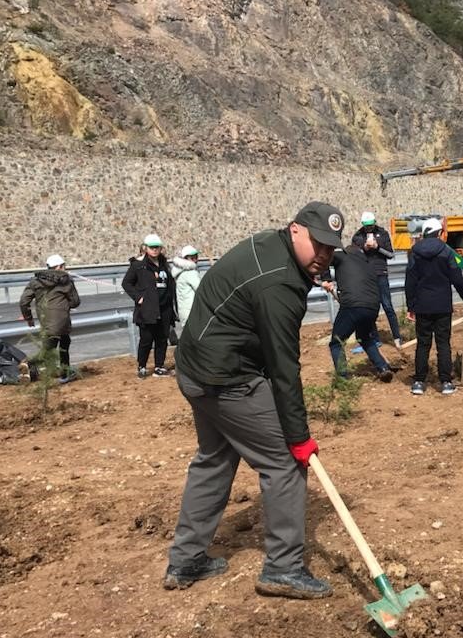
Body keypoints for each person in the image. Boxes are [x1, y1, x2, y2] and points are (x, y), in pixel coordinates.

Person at [163, 201, 345, 599]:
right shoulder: (279, 283)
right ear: (295, 230)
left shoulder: (271, 246)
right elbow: (284, 367)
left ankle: (186, 559)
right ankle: (283, 568)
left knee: (215, 458)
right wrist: (298, 437)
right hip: (224, 376)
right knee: (283, 463)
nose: (324, 255)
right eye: (318, 244)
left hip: (195, 367)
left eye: (331, 248)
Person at [404, 218, 463, 395]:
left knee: (423, 344)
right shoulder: (447, 252)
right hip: (442, 305)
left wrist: (411, 306)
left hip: (422, 305)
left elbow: (410, 281)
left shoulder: (414, 253)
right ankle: (446, 382)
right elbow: (457, 277)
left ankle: (419, 382)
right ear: (440, 233)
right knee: (443, 344)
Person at [320, 244, 394, 382]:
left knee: (337, 342)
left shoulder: (342, 256)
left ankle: (342, 377)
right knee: (365, 338)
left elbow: (324, 258)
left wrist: (326, 279)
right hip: (373, 306)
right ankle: (382, 367)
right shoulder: (368, 264)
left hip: (352, 305)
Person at [19, 253, 81, 382]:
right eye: (64, 266)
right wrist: (64, 306)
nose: (65, 268)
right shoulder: (65, 281)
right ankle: (29, 364)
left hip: (45, 319)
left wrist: (28, 318)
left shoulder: (36, 281)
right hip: (62, 319)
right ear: (59, 267)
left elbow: (24, 301)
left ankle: (65, 372)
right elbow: (75, 302)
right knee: (50, 349)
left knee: (63, 341)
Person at [122, 234, 176, 378]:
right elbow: (126, 283)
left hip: (165, 308)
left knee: (162, 339)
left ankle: (159, 366)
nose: (154, 250)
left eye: (157, 247)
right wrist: (138, 297)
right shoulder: (139, 265)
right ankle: (142, 366)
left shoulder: (164, 264)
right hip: (147, 309)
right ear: (145, 248)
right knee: (146, 339)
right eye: (151, 247)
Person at [351, 211, 401, 348]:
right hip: (365, 276)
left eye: (371, 226)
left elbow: (391, 254)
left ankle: (397, 337)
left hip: (381, 273)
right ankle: (375, 338)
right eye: (366, 226)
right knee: (371, 307)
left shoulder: (383, 234)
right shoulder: (357, 236)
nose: (369, 229)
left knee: (387, 306)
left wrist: (377, 248)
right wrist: (365, 248)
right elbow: (353, 257)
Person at [171, 245, 202, 337]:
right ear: (185, 258)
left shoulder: (179, 272)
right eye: (192, 258)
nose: (195, 260)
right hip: (193, 311)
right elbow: (201, 289)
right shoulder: (190, 273)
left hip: (184, 311)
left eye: (196, 257)